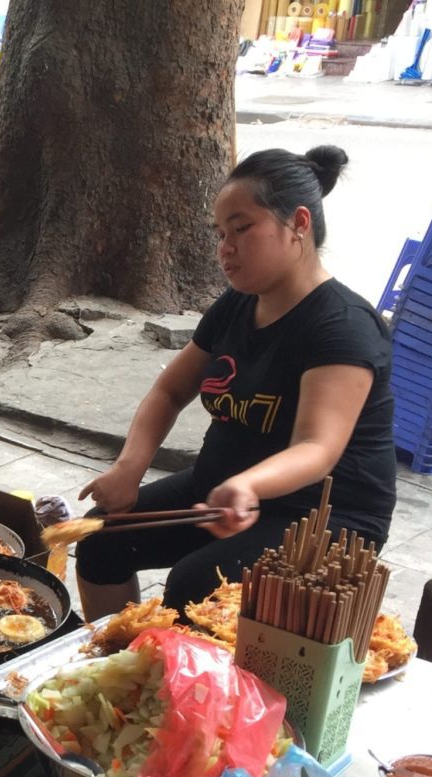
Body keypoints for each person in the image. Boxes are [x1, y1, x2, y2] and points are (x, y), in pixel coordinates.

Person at [75, 146, 396, 619]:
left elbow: (317, 447)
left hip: (321, 518)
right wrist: (129, 469)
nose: (226, 248)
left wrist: (247, 485)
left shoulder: (343, 325)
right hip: (225, 491)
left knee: (195, 586)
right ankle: (115, 661)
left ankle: (168, 682)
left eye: (242, 229)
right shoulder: (238, 303)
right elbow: (170, 391)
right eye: (221, 234)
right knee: (101, 536)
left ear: (298, 224)